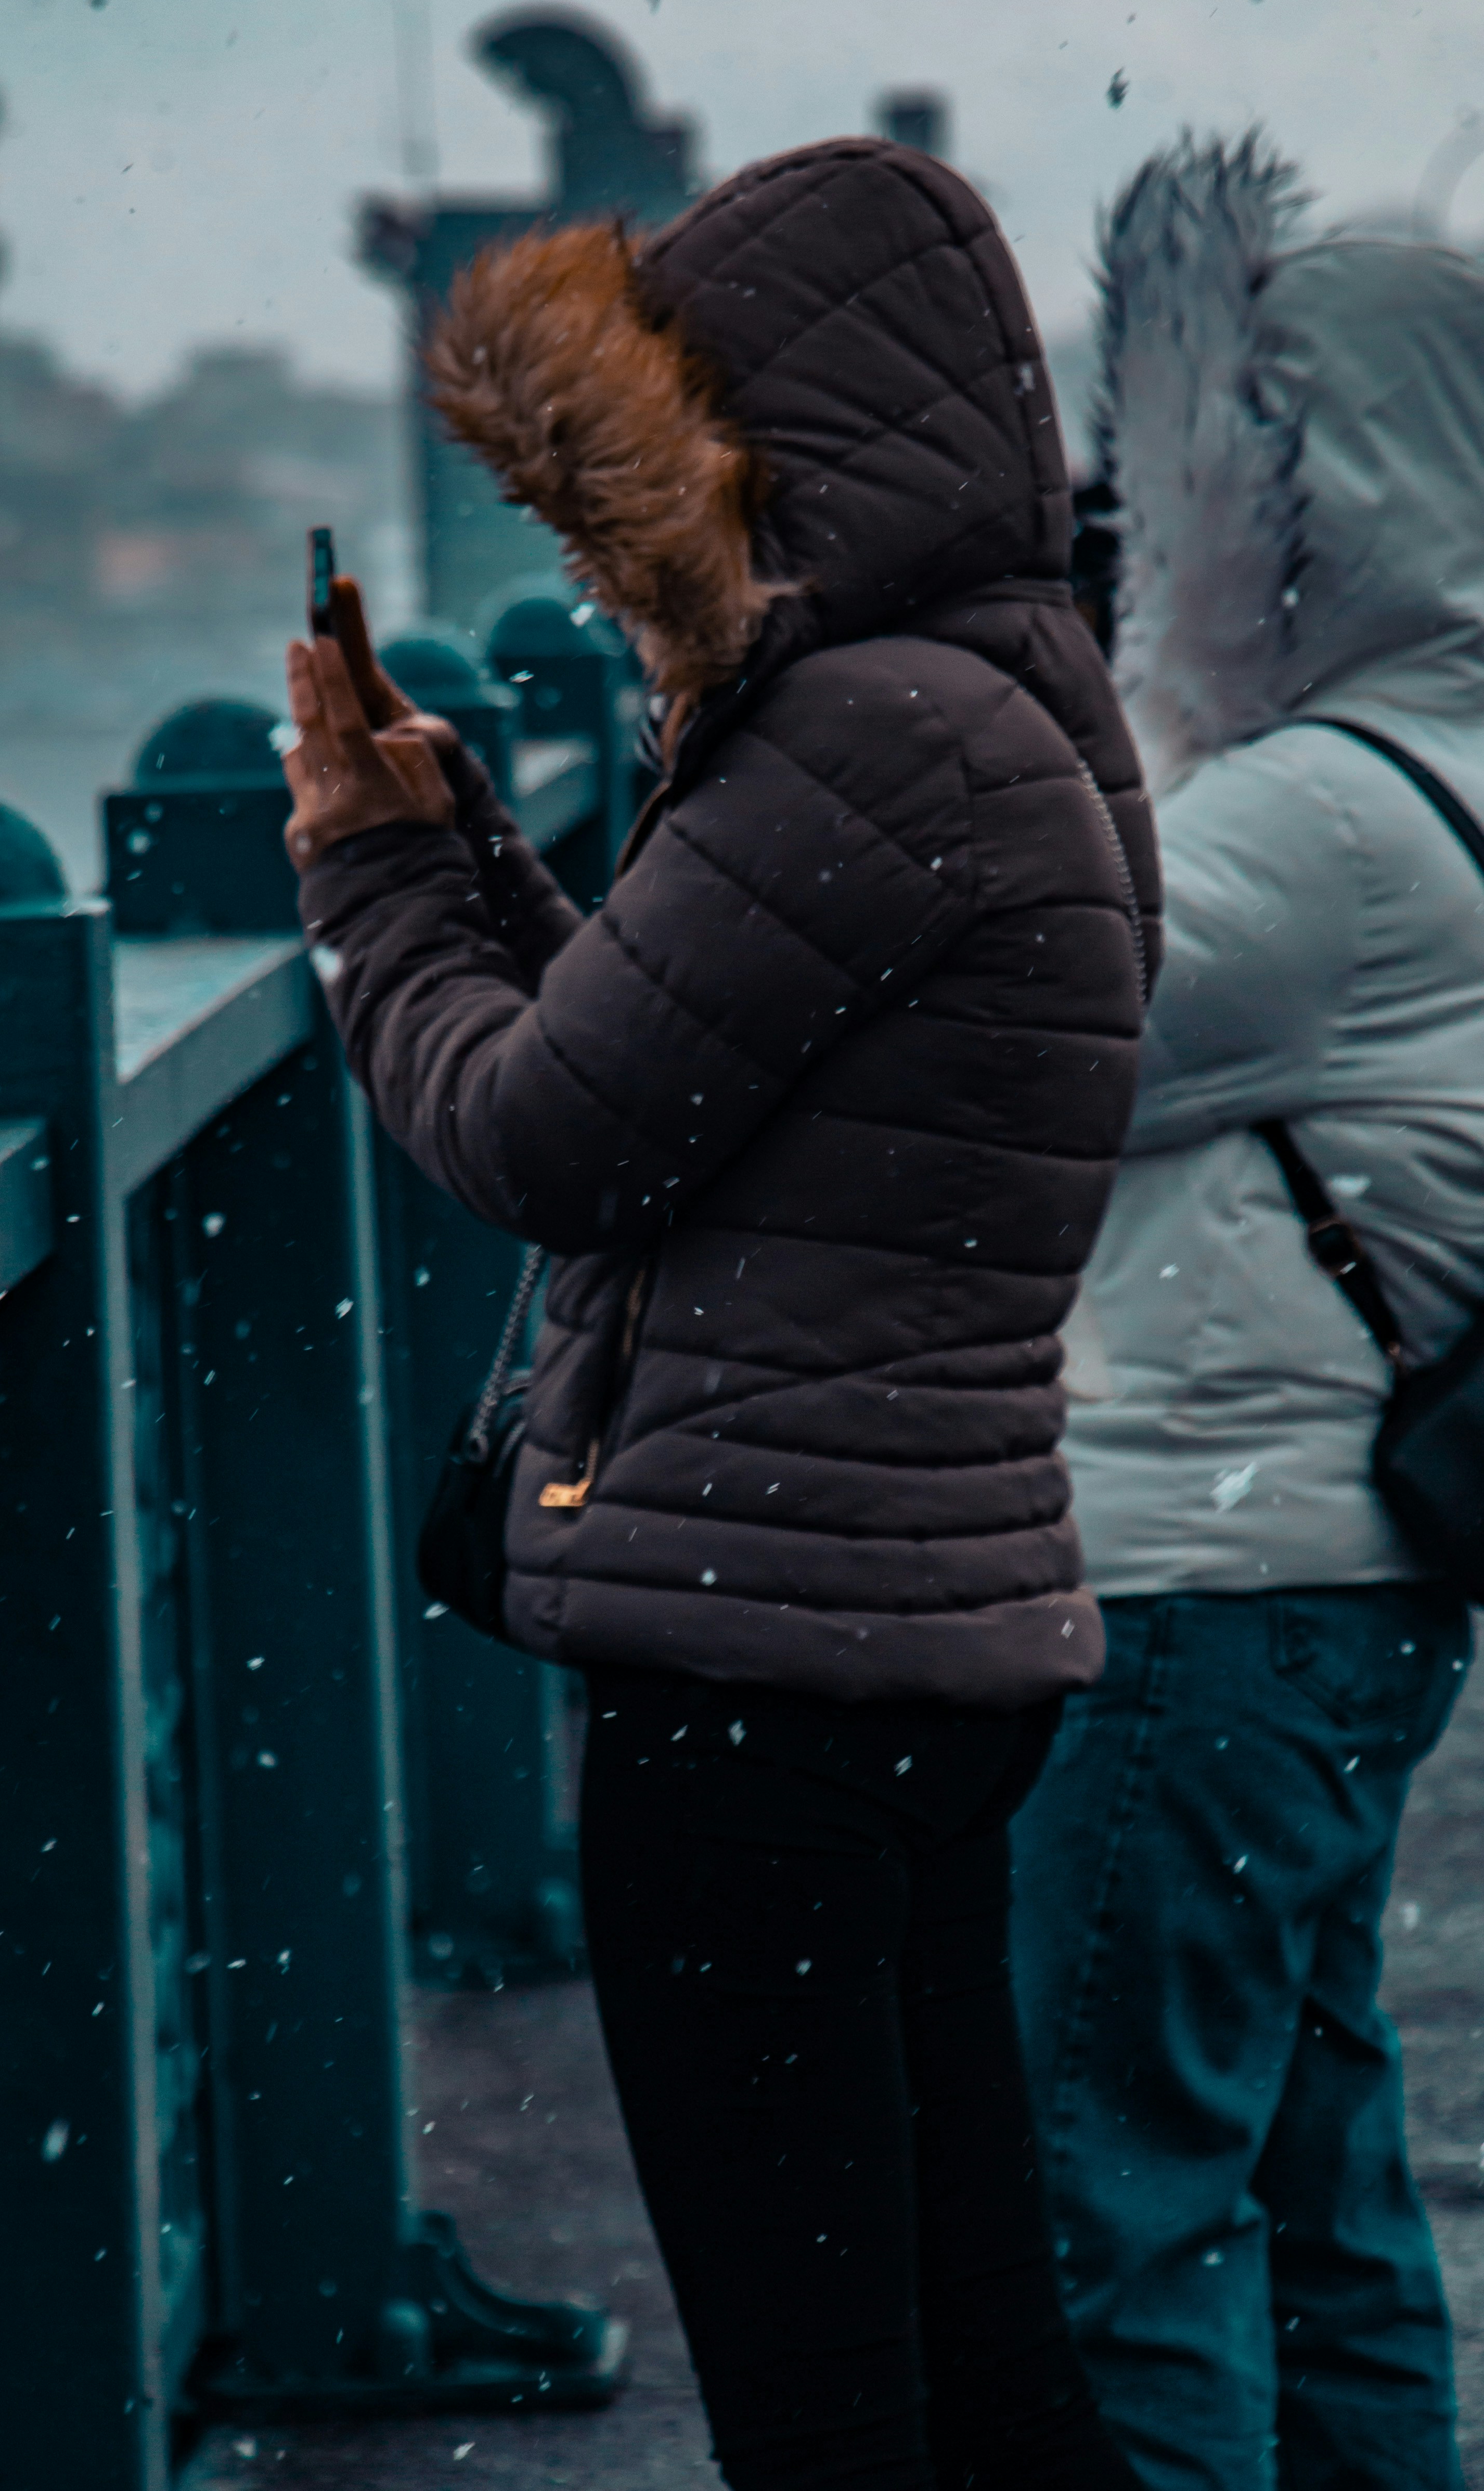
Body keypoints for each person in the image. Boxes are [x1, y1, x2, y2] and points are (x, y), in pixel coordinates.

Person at [280, 139, 1155, 2489]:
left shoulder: (863, 733)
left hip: (757, 1676)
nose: (623, 547)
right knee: (977, 2364)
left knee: (830, 2411)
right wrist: (475, 856)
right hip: (904, 1641)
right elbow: (713, 1090)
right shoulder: (1002, 698)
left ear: (770, 432)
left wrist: (364, 888)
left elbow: (549, 1142)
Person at [1010, 131, 1484, 2491]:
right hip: (1341, 1577)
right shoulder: (1445, 767)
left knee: (1116, 2223)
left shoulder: (1306, 818)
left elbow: (994, 1046)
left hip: (1202, 1582)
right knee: (1309, 2197)